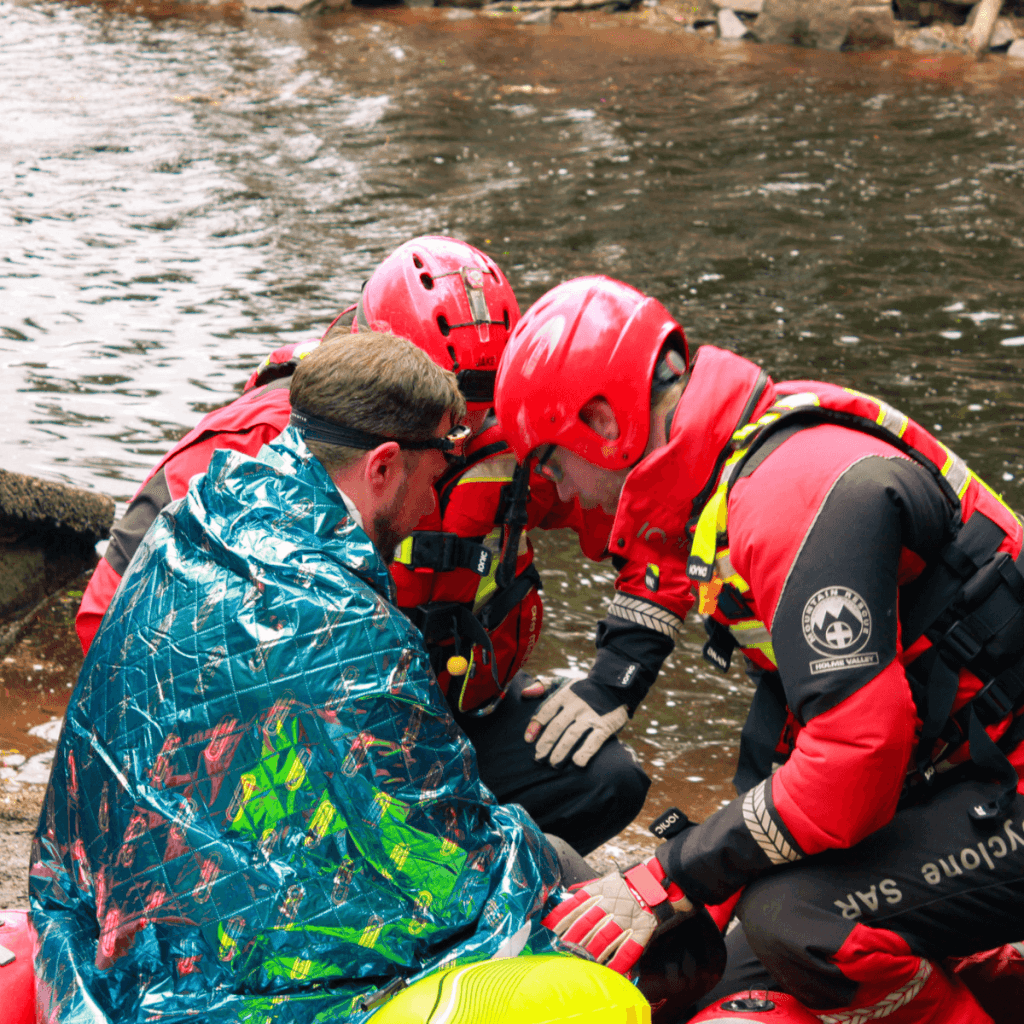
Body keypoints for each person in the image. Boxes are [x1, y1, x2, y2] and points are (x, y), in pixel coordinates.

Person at [31, 332, 692, 1023]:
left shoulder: (191, 522)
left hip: (97, 928)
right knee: (587, 906)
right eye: (435, 480)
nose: (435, 507)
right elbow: (452, 862)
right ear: (382, 466)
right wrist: (573, 871)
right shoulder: (348, 625)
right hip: (218, 977)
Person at [493, 274, 1024, 1024]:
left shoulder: (786, 497)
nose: (568, 495)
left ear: (602, 423)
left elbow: (855, 762)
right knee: (720, 967)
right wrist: (697, 903)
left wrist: (670, 875)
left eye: (552, 464)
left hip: (999, 780)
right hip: (978, 771)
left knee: (792, 923)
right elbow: (792, 741)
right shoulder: (745, 472)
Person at [75, 237, 659, 856]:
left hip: (438, 711)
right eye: (444, 419)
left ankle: (447, 885)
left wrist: (613, 678)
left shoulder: (514, 443)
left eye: (479, 415)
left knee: (607, 782)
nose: (462, 438)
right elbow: (109, 628)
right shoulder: (250, 445)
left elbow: (650, 515)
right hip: (291, 740)